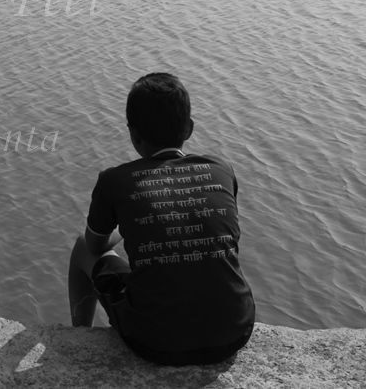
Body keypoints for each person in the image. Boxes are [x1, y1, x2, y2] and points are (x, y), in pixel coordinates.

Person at [67, 72, 254, 365]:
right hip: (234, 331)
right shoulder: (221, 170)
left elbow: (94, 246)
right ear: (189, 128)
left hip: (155, 342)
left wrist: (128, 227)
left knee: (80, 248)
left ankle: (78, 338)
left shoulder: (115, 180)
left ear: (133, 134)